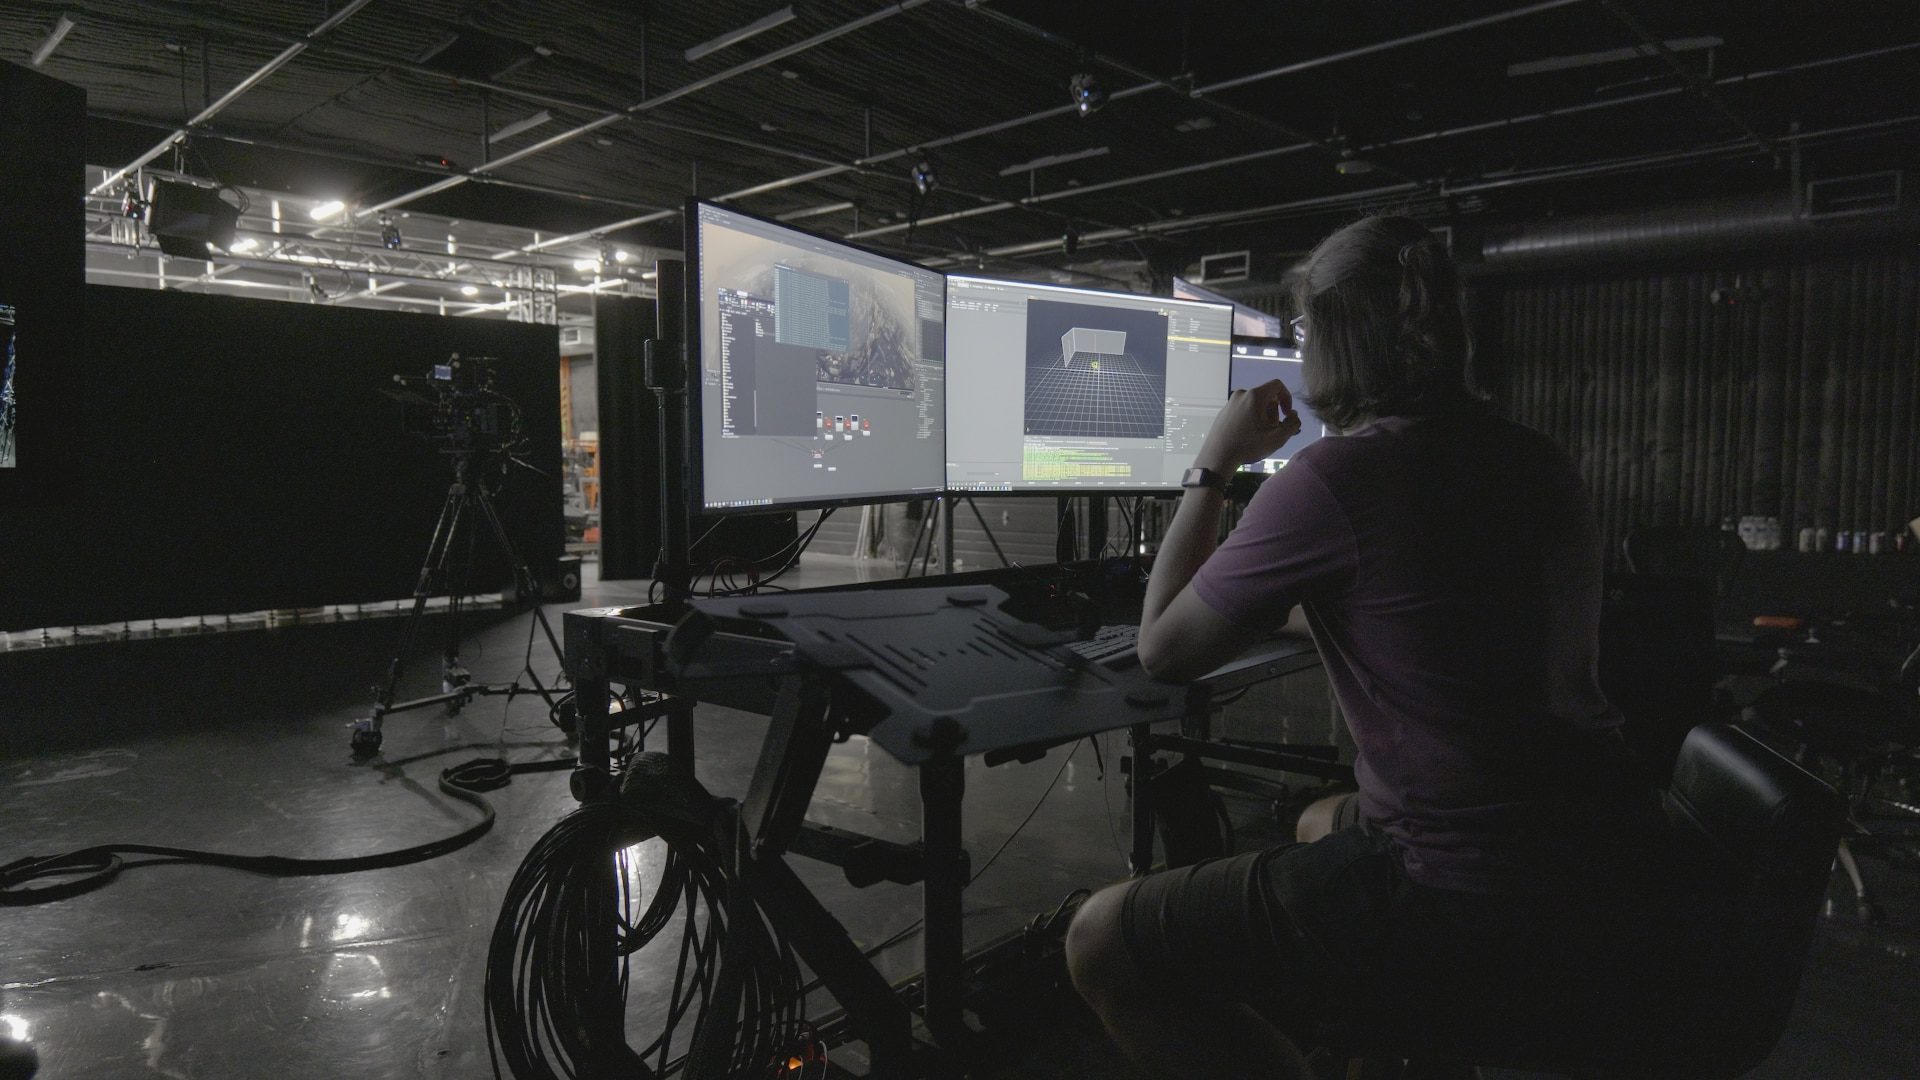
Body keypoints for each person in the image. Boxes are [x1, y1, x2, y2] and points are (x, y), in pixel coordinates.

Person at [1065, 215, 1674, 1077]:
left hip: (1466, 888)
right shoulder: (1534, 459)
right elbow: (1429, 614)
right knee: (1319, 821)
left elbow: (1163, 648)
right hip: (1595, 848)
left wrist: (1215, 462)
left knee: (1100, 942)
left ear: (1331, 342)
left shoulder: (1337, 479)